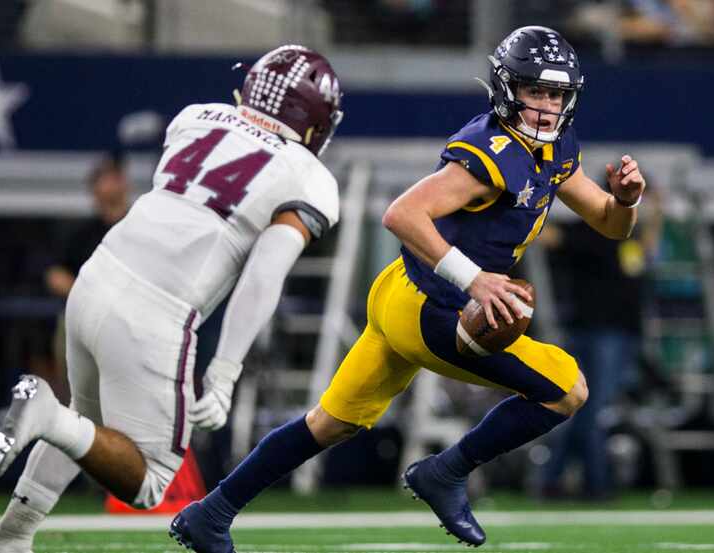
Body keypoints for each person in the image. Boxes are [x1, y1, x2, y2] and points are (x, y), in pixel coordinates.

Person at [170, 26, 646, 552]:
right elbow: (401, 213)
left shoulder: (554, 148)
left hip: (403, 293)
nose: (546, 107)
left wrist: (624, 202)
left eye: (556, 95)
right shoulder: (495, 154)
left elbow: (607, 222)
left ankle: (209, 514)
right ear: (509, 89)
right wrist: (476, 279)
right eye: (536, 92)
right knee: (567, 389)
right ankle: (447, 472)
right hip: (434, 309)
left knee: (329, 423)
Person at [0, 44, 343, 553]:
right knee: (148, 481)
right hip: (159, 310)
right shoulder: (308, 175)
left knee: (88, 417)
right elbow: (264, 271)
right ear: (315, 120)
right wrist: (225, 372)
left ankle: (10, 537)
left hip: (97, 276)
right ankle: (46, 416)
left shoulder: (196, 117)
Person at [537, 183, 662, 499]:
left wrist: (655, 218)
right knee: (592, 408)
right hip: (597, 331)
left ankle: (552, 480)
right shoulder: (591, 228)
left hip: (617, 331)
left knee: (583, 407)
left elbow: (643, 257)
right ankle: (596, 483)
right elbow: (552, 238)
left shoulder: (627, 232)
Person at [44, 156, 132, 401]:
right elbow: (54, 276)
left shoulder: (140, 227)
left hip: (130, 319)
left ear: (125, 184)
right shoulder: (79, 233)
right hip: (84, 317)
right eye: (102, 180)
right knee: (80, 397)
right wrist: (91, 291)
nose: (108, 185)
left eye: (114, 178)